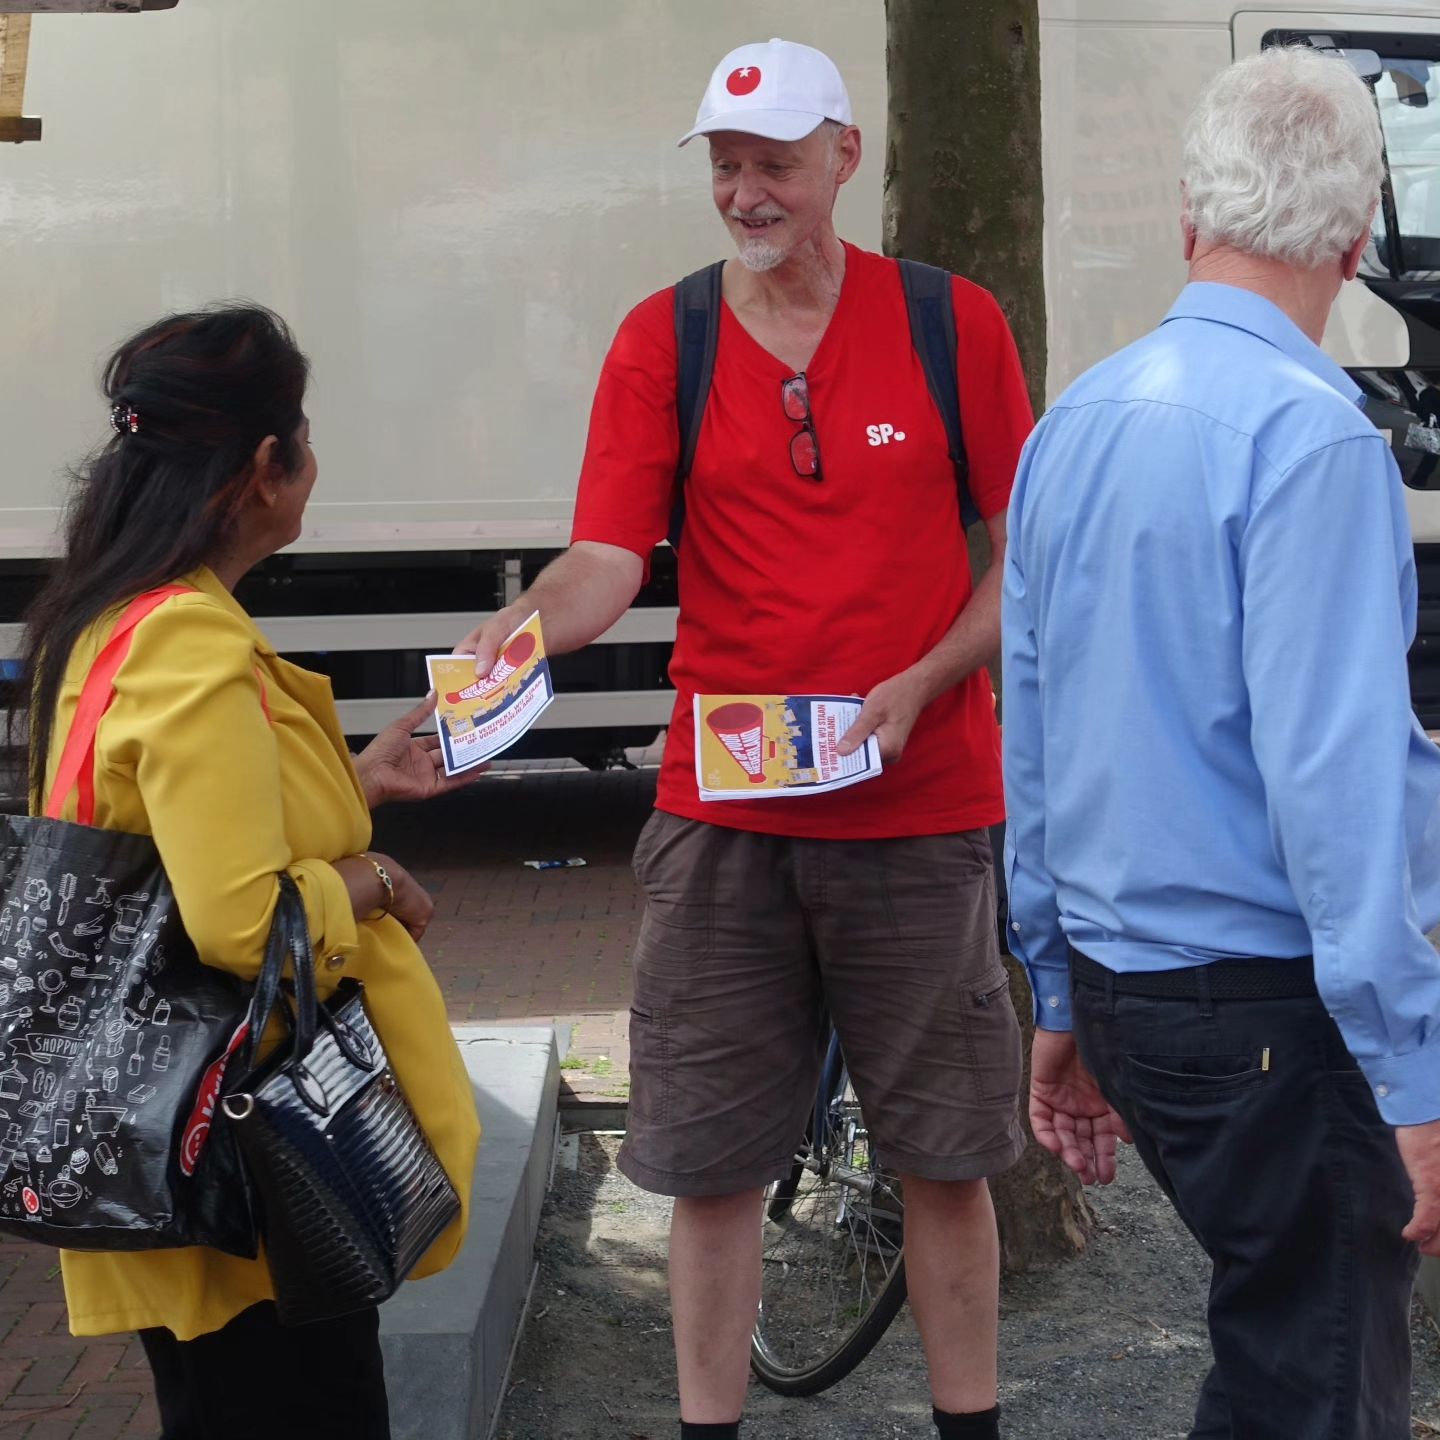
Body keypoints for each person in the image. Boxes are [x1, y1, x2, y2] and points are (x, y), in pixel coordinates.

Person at [457, 37, 1033, 1440]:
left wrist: (923, 678)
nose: (747, 192)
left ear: (846, 156)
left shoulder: (955, 326)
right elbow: (607, 556)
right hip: (725, 822)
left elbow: (1032, 557)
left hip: (918, 808)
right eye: (725, 165)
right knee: (707, 1168)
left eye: (774, 161)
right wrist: (512, 639)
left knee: (946, 1165)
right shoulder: (669, 336)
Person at [1003, 45, 1440, 1439]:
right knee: (1317, 1385)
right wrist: (1413, 1073)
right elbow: (1339, 791)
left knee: (1280, 1366)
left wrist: (1059, 997)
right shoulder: (1316, 444)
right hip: (1274, 1015)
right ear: (1358, 240)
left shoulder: (1071, 422)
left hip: (1137, 995)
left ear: (1191, 219)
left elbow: (1034, 733)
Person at [18, 304, 482, 1439]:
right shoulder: (189, 640)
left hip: (176, 1140)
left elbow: (174, 832)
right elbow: (239, 918)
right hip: (251, 1181)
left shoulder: (111, 619)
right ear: (265, 469)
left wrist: (353, 784)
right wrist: (372, 880)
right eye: (306, 442)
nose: (313, 467)